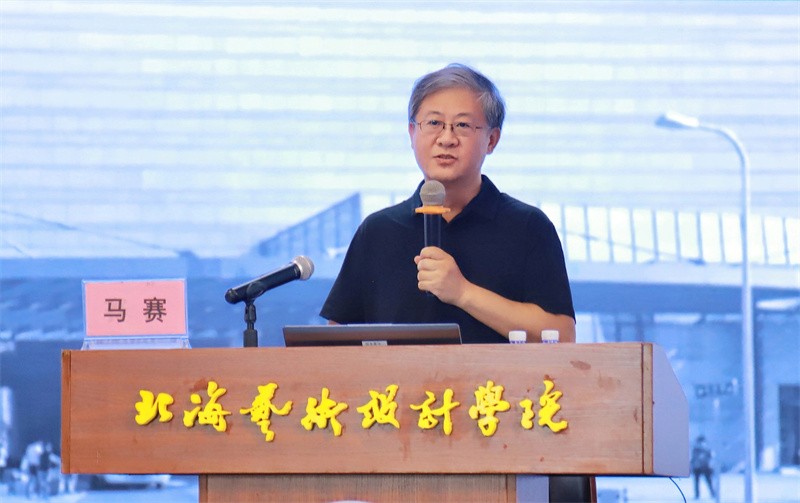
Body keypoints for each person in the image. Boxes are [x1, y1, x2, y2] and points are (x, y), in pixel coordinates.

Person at [321, 63, 575, 343]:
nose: (446, 139)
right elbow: (337, 344)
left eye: (462, 125)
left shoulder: (527, 226)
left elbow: (562, 336)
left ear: (492, 140)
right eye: (434, 123)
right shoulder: (378, 230)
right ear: (412, 133)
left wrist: (463, 292)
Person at [690, 435, 716, 500]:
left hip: (705, 467)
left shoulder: (707, 450)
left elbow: (711, 458)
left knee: (709, 481)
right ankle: (697, 495)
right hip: (698, 467)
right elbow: (693, 459)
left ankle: (713, 493)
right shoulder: (695, 450)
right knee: (697, 482)